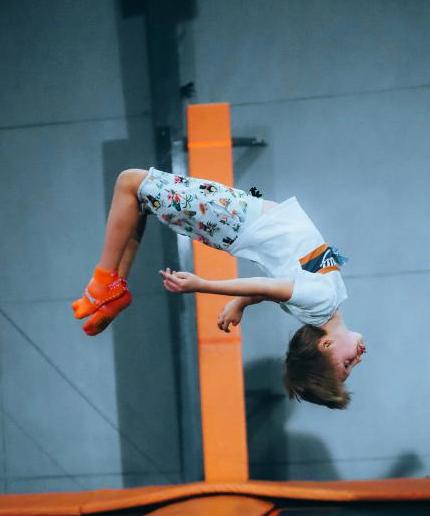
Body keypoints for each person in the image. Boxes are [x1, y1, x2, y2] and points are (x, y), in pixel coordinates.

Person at [72, 166, 366, 408]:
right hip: (237, 223)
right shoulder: (323, 307)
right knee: (141, 199)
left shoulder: (322, 301)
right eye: (351, 366)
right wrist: (240, 304)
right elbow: (274, 286)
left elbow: (265, 286)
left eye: (347, 364)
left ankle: (104, 281)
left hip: (235, 219)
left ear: (325, 345)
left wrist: (204, 284)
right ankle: (116, 289)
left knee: (130, 182)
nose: (357, 359)